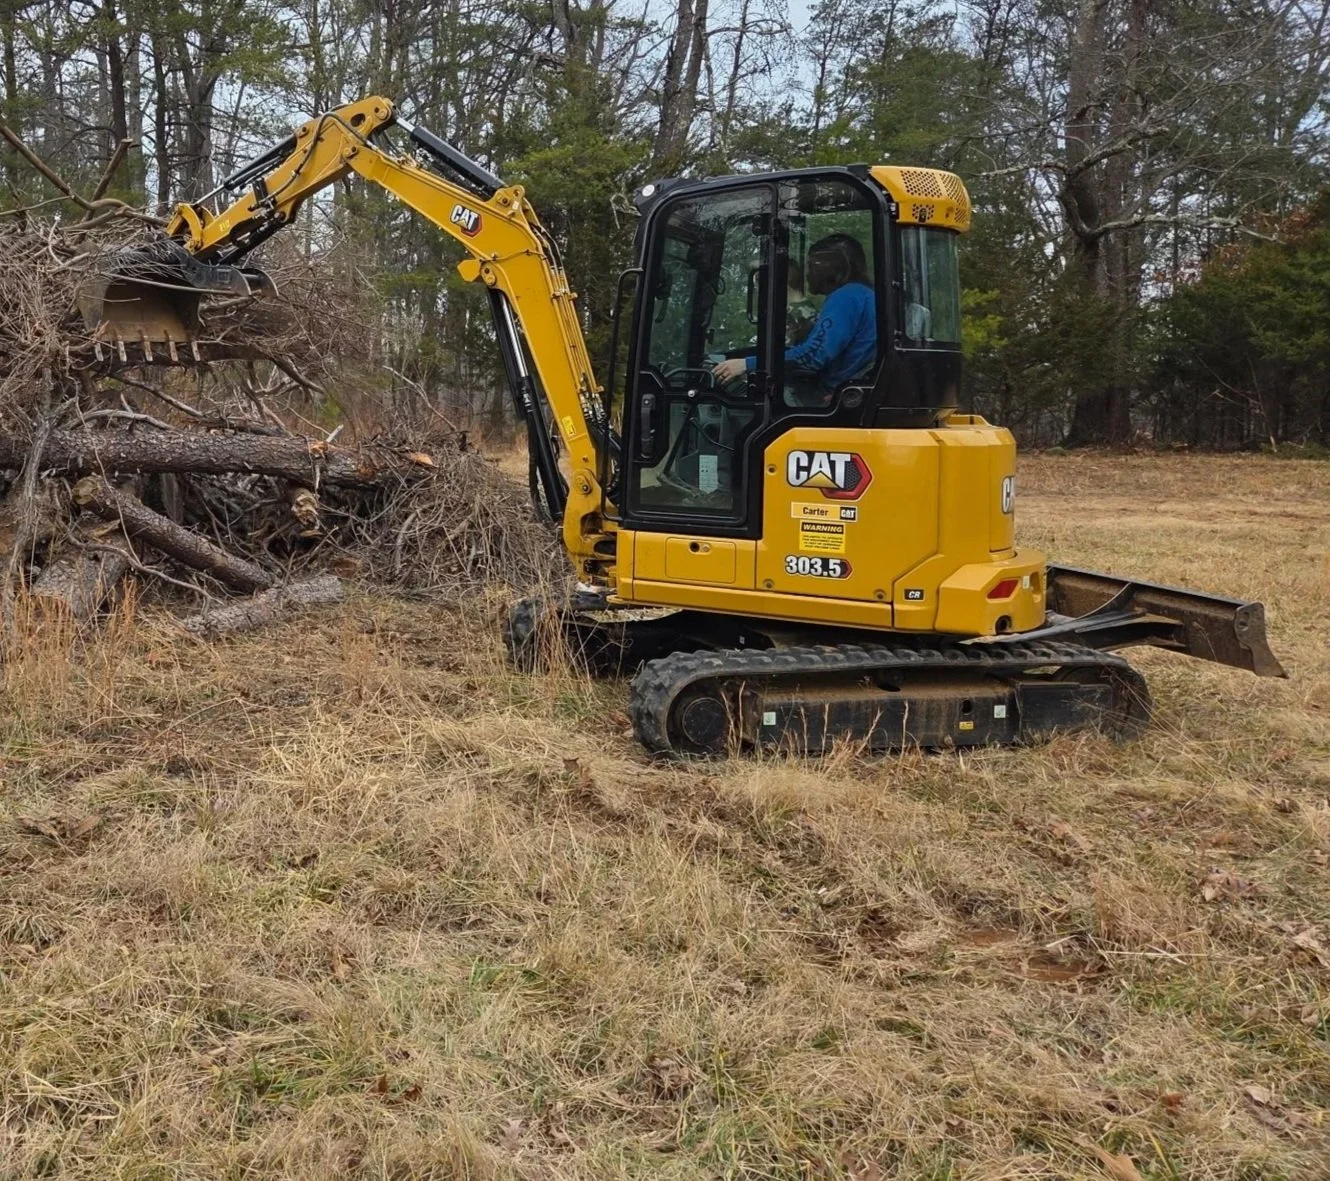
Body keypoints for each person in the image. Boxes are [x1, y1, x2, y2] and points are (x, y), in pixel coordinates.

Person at [712, 234, 876, 395]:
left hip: (828, 396)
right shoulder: (863, 295)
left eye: (811, 266)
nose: (807, 274)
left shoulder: (846, 298)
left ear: (829, 268)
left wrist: (746, 365)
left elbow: (813, 356)